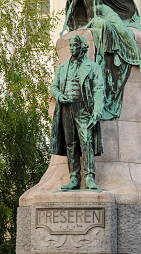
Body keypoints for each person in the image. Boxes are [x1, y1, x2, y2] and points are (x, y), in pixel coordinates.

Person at [60, 0, 141, 120]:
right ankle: (113, 53)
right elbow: (71, 8)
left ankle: (138, 60)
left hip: (105, 11)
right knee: (104, 26)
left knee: (124, 30)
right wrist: (64, 26)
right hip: (94, 19)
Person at [50, 34, 104, 190]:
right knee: (71, 144)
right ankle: (74, 178)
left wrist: (96, 111)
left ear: (83, 47)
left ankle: (89, 178)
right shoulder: (62, 68)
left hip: (84, 108)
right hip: (66, 108)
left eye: (75, 46)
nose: (73, 49)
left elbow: (99, 90)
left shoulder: (93, 67)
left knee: (86, 143)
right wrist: (59, 96)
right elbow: (54, 87)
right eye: (71, 46)